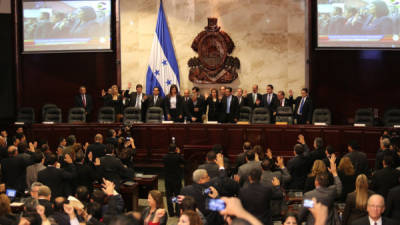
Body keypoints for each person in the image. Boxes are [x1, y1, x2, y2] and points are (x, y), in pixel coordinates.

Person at [298, 154, 342, 225]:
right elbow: (339, 188)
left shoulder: (308, 195)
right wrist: (334, 173)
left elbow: (302, 214)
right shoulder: (331, 192)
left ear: (316, 182)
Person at [163, 143, 184, 217]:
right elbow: (184, 162)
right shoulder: (178, 157)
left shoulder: (164, 157)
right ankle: (178, 212)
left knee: (169, 196)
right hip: (176, 180)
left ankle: (171, 213)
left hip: (168, 180)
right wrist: (178, 153)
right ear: (176, 149)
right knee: (177, 195)